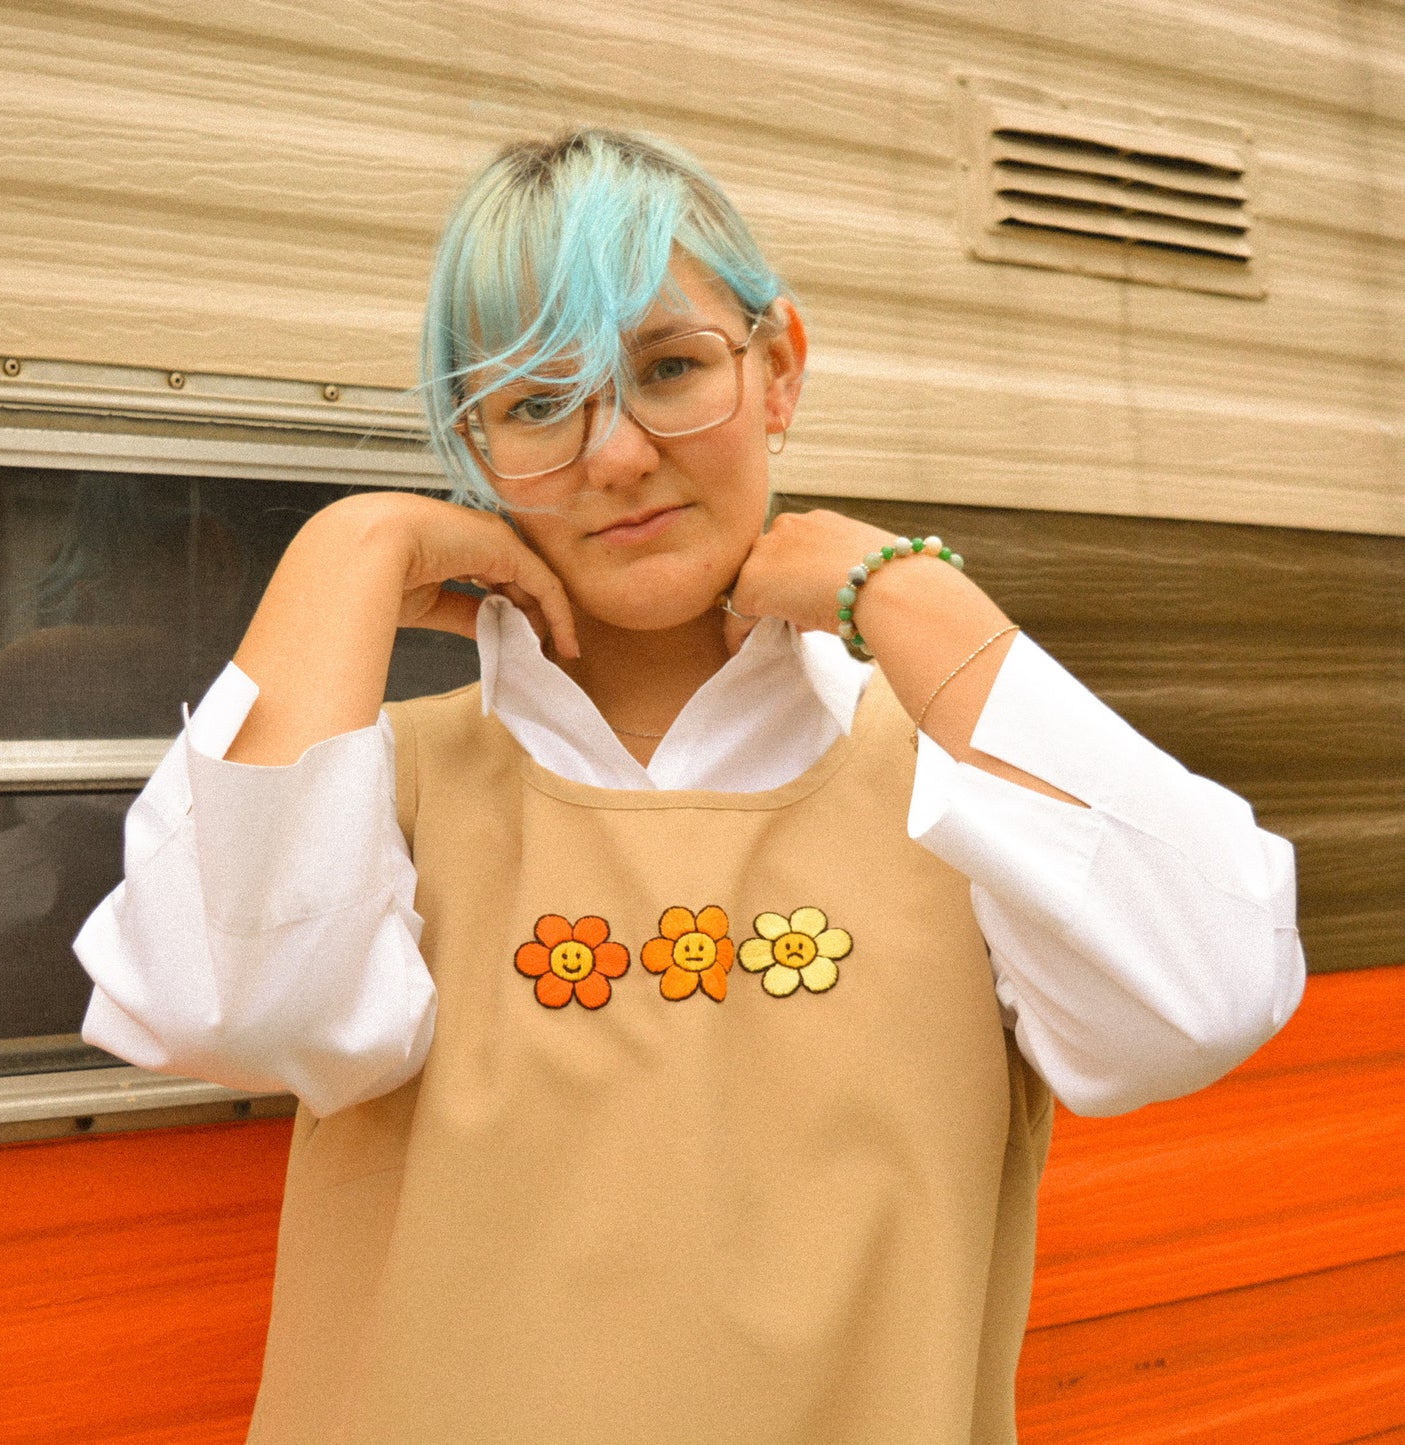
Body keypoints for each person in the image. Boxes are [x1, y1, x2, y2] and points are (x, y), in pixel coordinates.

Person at [75, 130, 1305, 1445]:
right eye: (538, 403)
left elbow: (1207, 993)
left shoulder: (958, 780)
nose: (613, 454)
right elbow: (244, 1013)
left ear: (777, 367)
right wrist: (350, 547)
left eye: (666, 369)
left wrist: (902, 585)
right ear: (475, 447)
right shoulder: (381, 786)